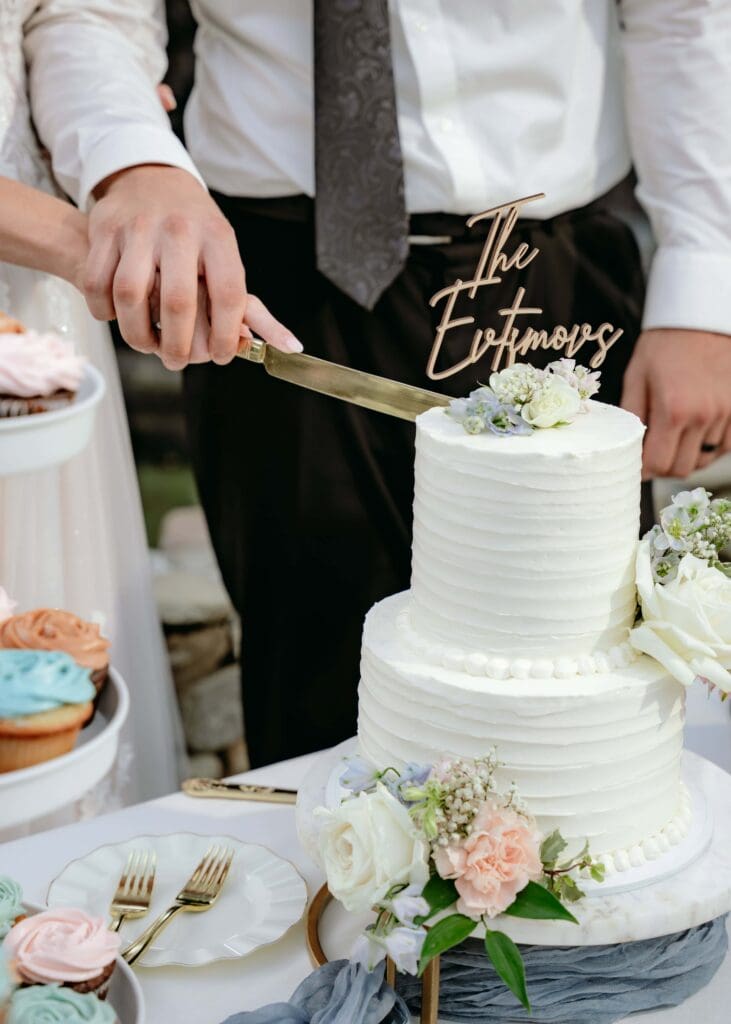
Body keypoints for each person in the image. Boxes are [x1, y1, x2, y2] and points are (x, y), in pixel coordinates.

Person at [31, 3, 731, 767]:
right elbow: (93, 13)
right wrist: (137, 165)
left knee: (570, 685)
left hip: (546, 270)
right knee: (317, 694)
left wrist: (705, 287)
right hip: (273, 283)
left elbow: (685, 17)